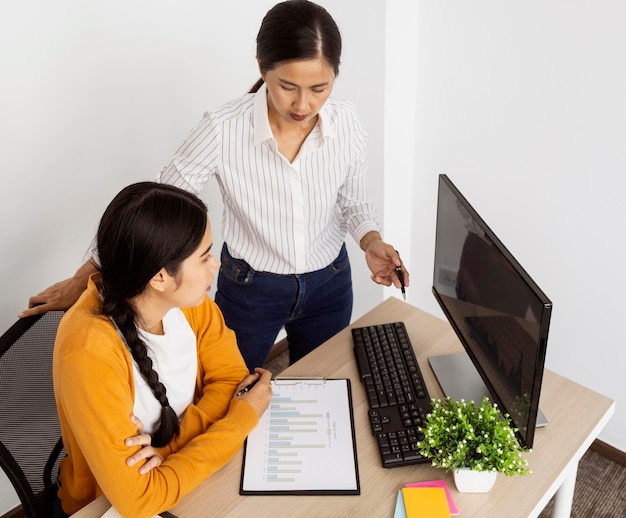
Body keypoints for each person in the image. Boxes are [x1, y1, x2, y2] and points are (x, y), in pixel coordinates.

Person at [21, 0, 408, 370]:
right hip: (250, 290)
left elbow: (354, 203)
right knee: (228, 390)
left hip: (331, 283)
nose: (303, 105)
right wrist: (86, 275)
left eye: (320, 88)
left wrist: (371, 241)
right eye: (287, 86)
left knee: (326, 383)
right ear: (262, 67)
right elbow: (151, 208)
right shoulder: (223, 129)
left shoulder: (348, 121)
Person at [52, 182, 272, 517]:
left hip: (183, 481)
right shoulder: (88, 352)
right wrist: (241, 418)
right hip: (102, 507)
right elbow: (139, 500)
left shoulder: (189, 301)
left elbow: (231, 380)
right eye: (204, 257)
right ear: (159, 278)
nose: (216, 265)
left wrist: (168, 450)